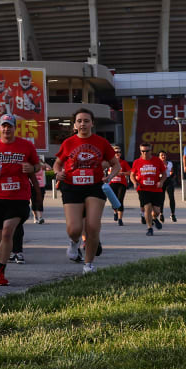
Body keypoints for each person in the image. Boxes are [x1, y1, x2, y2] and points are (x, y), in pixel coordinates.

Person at [55, 107, 116, 273]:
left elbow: (115, 164)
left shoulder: (101, 142)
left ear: (92, 123)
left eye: (86, 121)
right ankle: (74, 243)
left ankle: (88, 264)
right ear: (75, 125)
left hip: (94, 186)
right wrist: (57, 173)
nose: (83, 124)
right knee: (74, 229)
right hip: (71, 187)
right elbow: (57, 164)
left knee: (93, 226)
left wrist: (109, 177)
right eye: (79, 121)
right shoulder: (68, 143)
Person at [0, 114, 39, 286]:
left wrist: (32, 167)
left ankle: (0, 272)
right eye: (4, 126)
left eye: (10, 126)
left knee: (7, 231)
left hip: (19, 197)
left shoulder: (26, 146)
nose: (6, 129)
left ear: (15, 128)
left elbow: (37, 166)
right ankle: (0, 256)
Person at [132, 143, 167, 236]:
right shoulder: (137, 162)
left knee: (157, 211)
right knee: (147, 207)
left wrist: (162, 181)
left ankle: (154, 218)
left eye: (147, 151)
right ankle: (149, 228)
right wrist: (134, 182)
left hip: (156, 189)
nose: (145, 153)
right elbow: (132, 174)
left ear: (151, 151)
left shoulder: (157, 161)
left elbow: (164, 173)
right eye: (142, 151)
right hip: (143, 188)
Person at [107, 146, 131, 226]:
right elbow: (105, 171)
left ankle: (120, 219)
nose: (117, 154)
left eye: (119, 152)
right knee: (114, 200)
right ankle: (115, 212)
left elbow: (130, 172)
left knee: (120, 200)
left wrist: (122, 173)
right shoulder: (109, 162)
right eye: (116, 152)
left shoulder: (123, 162)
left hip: (121, 184)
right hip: (112, 183)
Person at [158, 149, 178, 222]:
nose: (163, 156)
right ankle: (161, 214)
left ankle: (173, 214)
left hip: (169, 180)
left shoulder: (169, 163)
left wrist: (172, 174)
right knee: (161, 198)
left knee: (171, 197)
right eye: (161, 155)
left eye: (164, 155)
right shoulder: (157, 163)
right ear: (159, 157)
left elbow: (172, 171)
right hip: (161, 181)